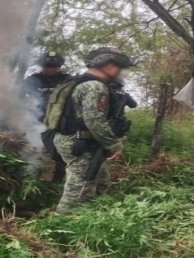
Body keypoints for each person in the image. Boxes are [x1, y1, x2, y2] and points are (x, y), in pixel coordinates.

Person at [47, 47, 136, 214]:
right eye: (119, 67)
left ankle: (92, 218)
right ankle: (59, 226)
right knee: (79, 190)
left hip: (77, 140)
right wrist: (113, 144)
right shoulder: (94, 87)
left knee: (101, 183)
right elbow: (94, 120)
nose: (121, 72)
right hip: (79, 143)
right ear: (108, 65)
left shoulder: (81, 81)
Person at [24, 51, 70, 182]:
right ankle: (33, 177)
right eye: (46, 66)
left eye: (54, 67)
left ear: (60, 66)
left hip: (61, 122)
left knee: (61, 150)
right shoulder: (32, 80)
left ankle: (57, 180)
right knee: (33, 148)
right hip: (36, 120)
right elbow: (19, 96)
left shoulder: (67, 80)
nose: (50, 69)